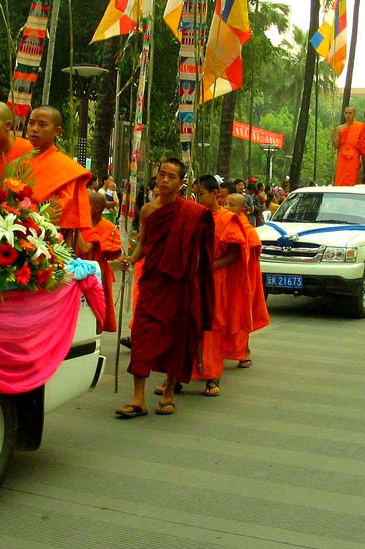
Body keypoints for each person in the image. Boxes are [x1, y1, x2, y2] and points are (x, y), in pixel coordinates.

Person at [115, 158, 214, 418]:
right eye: (162, 175)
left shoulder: (193, 213)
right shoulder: (149, 210)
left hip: (180, 284)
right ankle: (138, 398)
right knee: (143, 337)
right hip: (154, 283)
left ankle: (169, 391)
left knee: (176, 338)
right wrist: (131, 258)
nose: (165, 181)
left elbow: (203, 253)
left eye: (171, 176)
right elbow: (144, 243)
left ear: (181, 183)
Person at [188, 175, 248, 397]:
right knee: (189, 324)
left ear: (215, 194)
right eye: (195, 194)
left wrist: (211, 266)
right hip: (193, 278)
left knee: (212, 326)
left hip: (216, 279)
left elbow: (234, 254)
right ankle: (181, 374)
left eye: (201, 193)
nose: (197, 197)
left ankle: (212, 376)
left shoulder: (226, 219)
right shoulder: (194, 215)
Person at [24, 106, 92, 245]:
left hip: (51, 238)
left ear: (57, 131)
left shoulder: (67, 168)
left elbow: (63, 207)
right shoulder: (19, 161)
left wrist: (29, 215)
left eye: (42, 124)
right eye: (31, 123)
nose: (35, 129)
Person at [224, 192, 270, 368]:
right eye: (226, 203)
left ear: (243, 209)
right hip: (225, 276)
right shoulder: (224, 221)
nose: (227, 208)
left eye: (232, 205)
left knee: (241, 313)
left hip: (243, 278)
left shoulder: (247, 228)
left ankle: (243, 350)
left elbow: (250, 255)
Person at [77, 190, 123, 332]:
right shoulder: (81, 225)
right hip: (76, 272)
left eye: (86, 204)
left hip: (96, 274)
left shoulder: (106, 228)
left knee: (94, 312)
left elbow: (87, 249)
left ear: (96, 208)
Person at [332, 106, 365, 186]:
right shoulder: (339, 128)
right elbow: (336, 146)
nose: (348, 115)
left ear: (354, 114)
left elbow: (364, 143)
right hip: (342, 156)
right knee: (340, 177)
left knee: (352, 176)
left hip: (354, 156)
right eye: (346, 113)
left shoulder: (360, 127)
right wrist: (334, 135)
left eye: (350, 113)